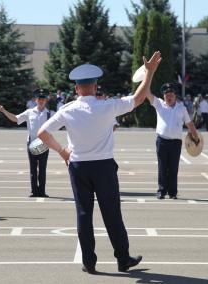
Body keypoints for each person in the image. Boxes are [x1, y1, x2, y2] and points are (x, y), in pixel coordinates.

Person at [38, 51, 162, 274]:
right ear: (95, 87)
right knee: (112, 213)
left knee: (84, 214)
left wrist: (63, 152)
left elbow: (42, 134)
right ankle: (123, 259)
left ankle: (89, 262)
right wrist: (149, 73)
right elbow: (138, 98)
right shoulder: (107, 106)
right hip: (104, 166)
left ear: (77, 89)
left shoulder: (67, 110)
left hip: (78, 167)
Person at [0, 89, 54, 197]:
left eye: (43, 99)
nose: (41, 101)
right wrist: (4, 111)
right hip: (31, 143)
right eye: (39, 99)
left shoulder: (50, 113)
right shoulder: (29, 112)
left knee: (42, 169)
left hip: (44, 144)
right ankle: (34, 191)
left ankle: (42, 192)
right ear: (35, 100)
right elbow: (16, 119)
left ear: (46, 100)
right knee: (33, 169)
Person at [147, 83, 199, 200]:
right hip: (162, 141)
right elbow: (148, 94)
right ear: (163, 96)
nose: (169, 97)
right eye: (166, 95)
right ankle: (161, 191)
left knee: (173, 168)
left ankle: (172, 192)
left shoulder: (182, 108)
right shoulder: (159, 104)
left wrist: (196, 137)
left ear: (175, 96)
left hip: (176, 142)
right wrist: (147, 77)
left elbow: (189, 123)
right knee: (162, 167)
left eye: (171, 95)